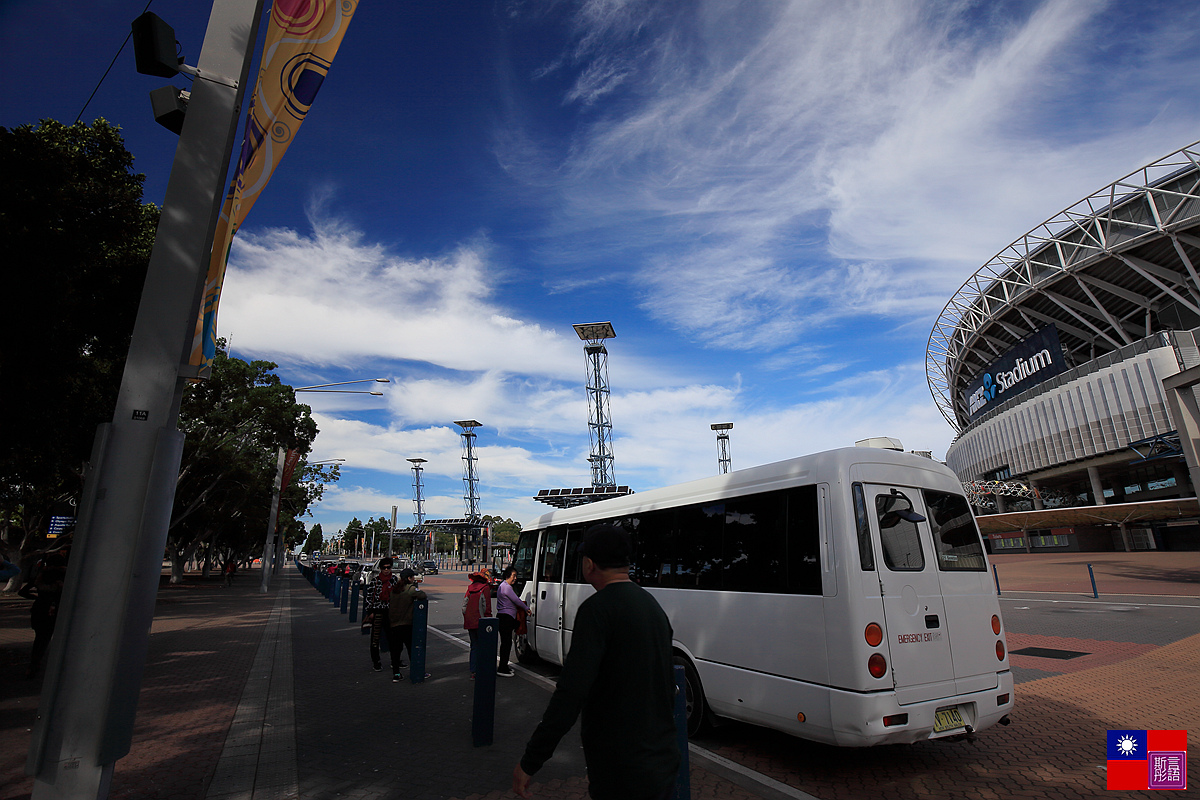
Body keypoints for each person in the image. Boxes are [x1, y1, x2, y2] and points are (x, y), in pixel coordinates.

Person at [512, 525, 679, 800]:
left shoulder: (596, 610)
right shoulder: (652, 607)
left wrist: (531, 761)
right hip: (661, 760)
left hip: (622, 766)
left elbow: (571, 692)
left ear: (589, 564)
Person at [21, 564, 65, 679]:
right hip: (52, 610)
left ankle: (33, 664)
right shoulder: (63, 578)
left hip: (38, 609)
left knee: (39, 638)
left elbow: (22, 592)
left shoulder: (40, 577)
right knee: (45, 638)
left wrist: (36, 598)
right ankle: (36, 663)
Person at [364, 557, 405, 679]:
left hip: (390, 613)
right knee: (375, 639)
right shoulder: (375, 581)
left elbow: (399, 595)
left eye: (388, 567)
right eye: (384, 568)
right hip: (377, 613)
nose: (386, 570)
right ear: (380, 569)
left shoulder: (394, 581)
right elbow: (369, 597)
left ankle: (395, 662)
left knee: (394, 639)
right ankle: (376, 662)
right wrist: (370, 612)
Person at [388, 568, 429, 682]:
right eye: (412, 577)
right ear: (409, 578)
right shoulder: (410, 589)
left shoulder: (395, 589)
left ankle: (396, 673)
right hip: (406, 623)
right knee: (412, 648)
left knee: (396, 650)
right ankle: (417, 670)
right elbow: (422, 595)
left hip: (394, 623)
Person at [496, 566, 530, 677]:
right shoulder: (507, 587)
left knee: (506, 643)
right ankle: (502, 668)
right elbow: (516, 600)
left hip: (503, 617)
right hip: (506, 617)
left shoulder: (502, 586)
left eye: (516, 576)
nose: (515, 578)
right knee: (506, 644)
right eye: (513, 576)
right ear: (508, 575)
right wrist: (526, 608)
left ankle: (504, 666)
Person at [461, 567, 492, 678]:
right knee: (484, 646)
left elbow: (464, 607)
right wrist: (488, 619)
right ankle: (483, 668)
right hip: (481, 621)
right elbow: (486, 606)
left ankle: (473, 670)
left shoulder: (470, 589)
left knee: (474, 645)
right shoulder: (485, 588)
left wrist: (467, 617)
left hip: (470, 621)